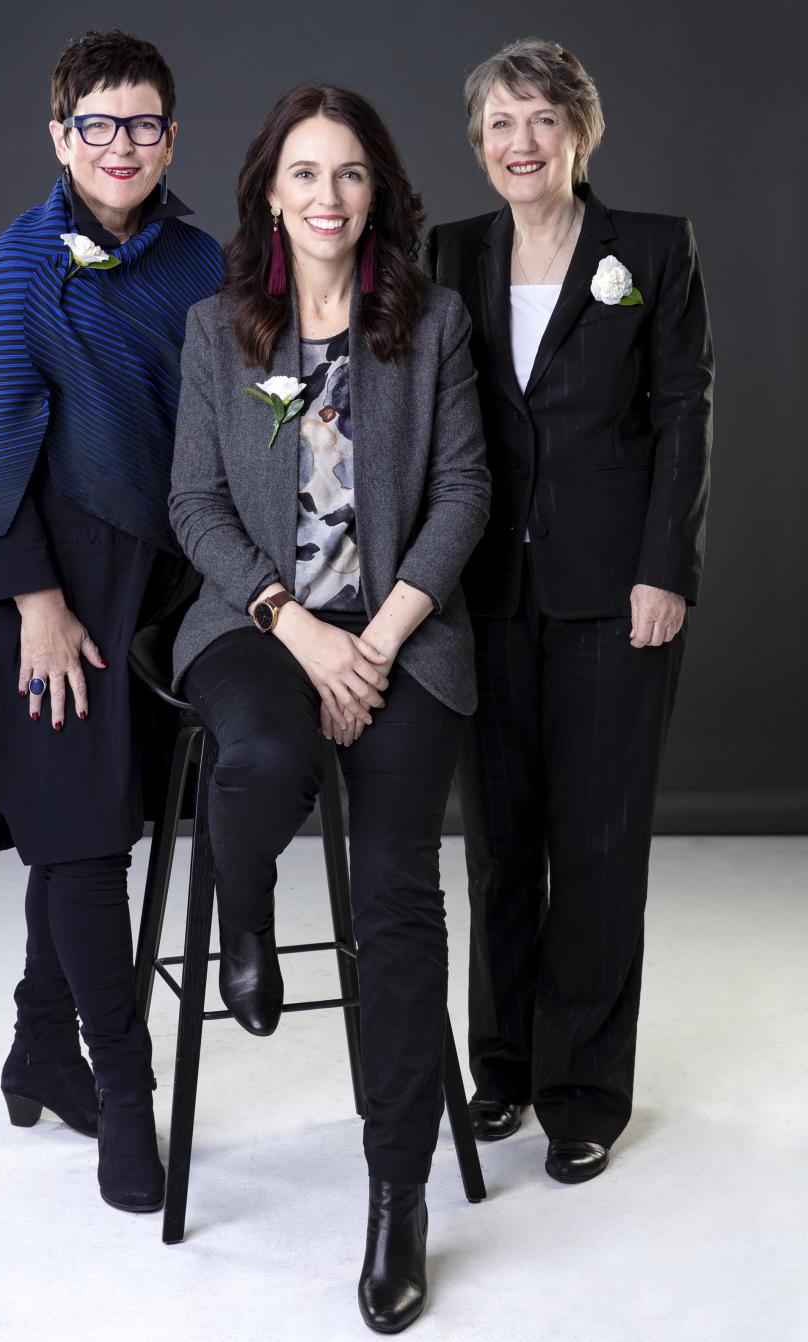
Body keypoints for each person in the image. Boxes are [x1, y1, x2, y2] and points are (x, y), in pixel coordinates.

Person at [169, 85, 489, 1333]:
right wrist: (299, 631)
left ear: (377, 191)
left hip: (405, 634)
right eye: (303, 173)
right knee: (256, 759)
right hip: (260, 625)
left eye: (349, 174)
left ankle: (396, 1194)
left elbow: (462, 493)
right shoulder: (217, 331)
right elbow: (194, 504)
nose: (326, 198)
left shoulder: (434, 323)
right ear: (269, 192)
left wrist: (380, 642)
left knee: (400, 887)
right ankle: (240, 913)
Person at [423, 37, 713, 1184]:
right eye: (500, 124)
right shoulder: (450, 252)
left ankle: (586, 1089)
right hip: (481, 590)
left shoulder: (649, 248)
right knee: (498, 845)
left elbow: (686, 411)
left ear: (580, 132)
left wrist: (667, 567)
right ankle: (502, 1070)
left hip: (615, 591)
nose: (521, 143)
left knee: (596, 847)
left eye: (542, 119)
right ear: (480, 144)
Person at [0, 29, 223, 1213]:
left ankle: (37, 1046)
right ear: (60, 134)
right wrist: (38, 609)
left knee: (93, 825)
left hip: (170, 586)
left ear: (173, 135)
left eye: (146, 124)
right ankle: (123, 1091)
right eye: (99, 125)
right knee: (82, 841)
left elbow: (233, 411)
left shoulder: (203, 260)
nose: (123, 146)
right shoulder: (18, 265)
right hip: (57, 588)